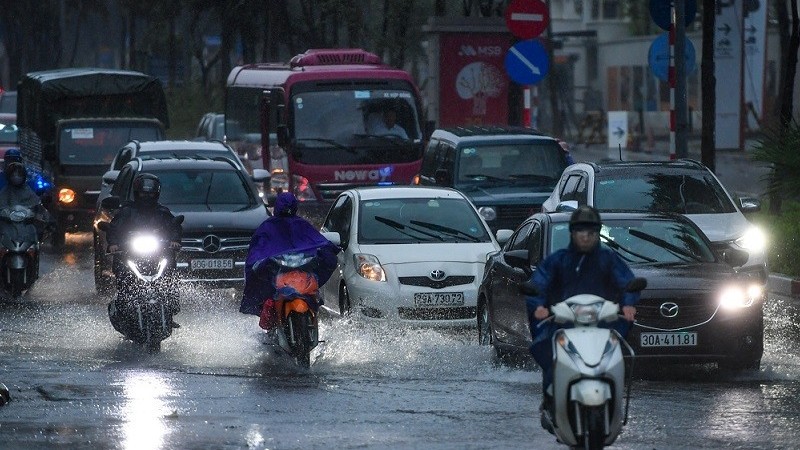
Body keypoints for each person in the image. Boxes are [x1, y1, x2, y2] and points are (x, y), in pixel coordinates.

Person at [525, 205, 639, 414]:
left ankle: (614, 398)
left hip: (603, 323)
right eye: (580, 232)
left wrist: (629, 303)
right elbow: (539, 283)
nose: (585, 237)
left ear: (597, 234)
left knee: (619, 351)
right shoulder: (558, 260)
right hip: (563, 323)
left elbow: (627, 282)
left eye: (591, 233)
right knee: (549, 352)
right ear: (572, 233)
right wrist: (540, 306)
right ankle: (551, 396)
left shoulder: (608, 259)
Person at [240, 192, 339, 342]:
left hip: (300, 274)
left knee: (313, 293)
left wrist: (326, 250)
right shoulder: (269, 227)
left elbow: (318, 243)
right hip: (277, 274)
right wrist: (259, 264)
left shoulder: (298, 225)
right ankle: (274, 325)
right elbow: (257, 251)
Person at [106, 173, 183, 330]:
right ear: (136, 192)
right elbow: (114, 228)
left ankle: (170, 309)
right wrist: (113, 243)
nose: (146, 196)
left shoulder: (162, 212)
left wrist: (175, 241)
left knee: (170, 272)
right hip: (130, 254)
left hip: (157, 254)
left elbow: (173, 226)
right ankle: (124, 308)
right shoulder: (127, 211)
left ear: (156, 193)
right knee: (123, 273)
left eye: (150, 193)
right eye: (143, 193)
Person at [0, 149, 52, 239]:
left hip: (25, 218)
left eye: (15, 160)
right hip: (5, 216)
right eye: (10, 160)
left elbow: (38, 197)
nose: (12, 164)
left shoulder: (30, 179)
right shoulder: (1, 179)